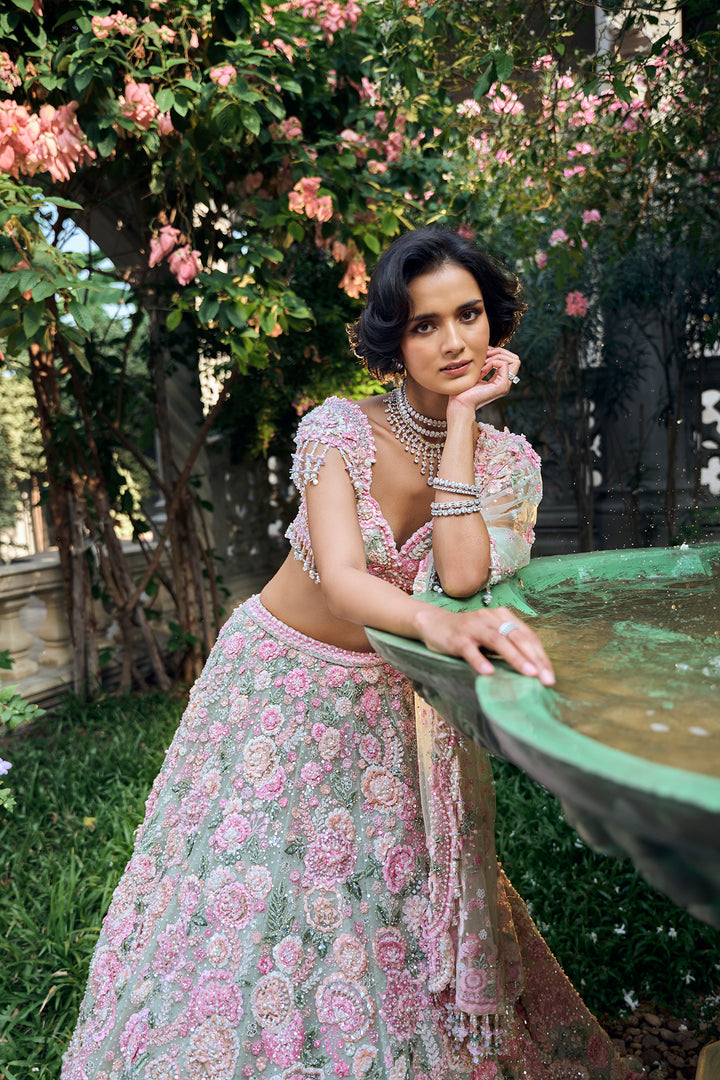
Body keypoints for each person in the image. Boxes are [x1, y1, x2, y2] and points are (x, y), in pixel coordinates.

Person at [62, 227, 641, 1080]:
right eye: (424, 325)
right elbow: (341, 579)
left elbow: (462, 572)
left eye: (468, 315)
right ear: (393, 340)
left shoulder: (509, 464)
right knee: (250, 888)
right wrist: (440, 627)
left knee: (383, 892)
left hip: (388, 697)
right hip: (277, 680)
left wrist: (463, 424)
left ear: (493, 321)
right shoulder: (337, 429)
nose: (453, 342)